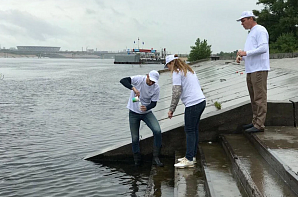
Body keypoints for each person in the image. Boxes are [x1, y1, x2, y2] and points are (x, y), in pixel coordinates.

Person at [166, 54, 206, 168]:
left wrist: (171, 109)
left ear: (171, 63)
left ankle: (189, 159)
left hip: (193, 104)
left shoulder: (176, 72)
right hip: (201, 101)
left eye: (168, 65)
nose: (168, 68)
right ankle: (191, 156)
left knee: (189, 130)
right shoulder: (189, 70)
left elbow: (176, 92)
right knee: (194, 130)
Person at [120, 70, 163, 167]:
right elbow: (123, 80)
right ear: (147, 76)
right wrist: (133, 88)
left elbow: (154, 103)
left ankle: (156, 157)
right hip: (133, 112)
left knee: (157, 130)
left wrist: (147, 107)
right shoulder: (139, 79)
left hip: (146, 112)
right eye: (150, 80)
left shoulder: (156, 88)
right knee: (135, 138)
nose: (151, 83)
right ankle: (137, 161)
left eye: (153, 82)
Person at [236, 11, 270, 133]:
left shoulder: (260, 30)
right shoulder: (251, 33)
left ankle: (259, 124)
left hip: (259, 69)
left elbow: (263, 48)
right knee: (254, 97)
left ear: (251, 18)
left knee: (259, 97)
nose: (242, 24)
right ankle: (255, 122)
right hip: (251, 69)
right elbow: (251, 51)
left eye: (243, 20)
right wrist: (242, 56)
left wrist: (246, 53)